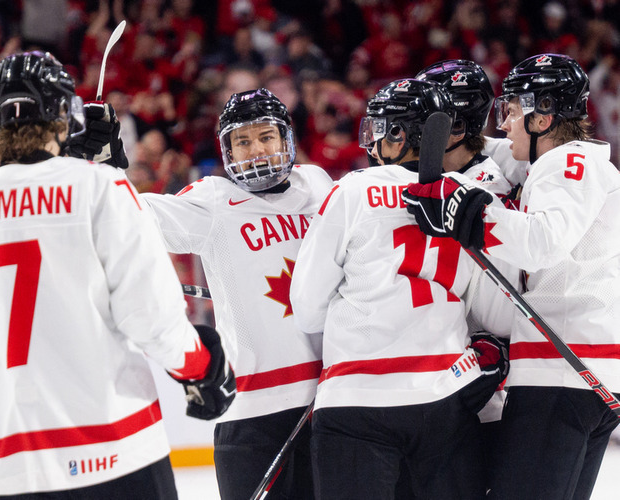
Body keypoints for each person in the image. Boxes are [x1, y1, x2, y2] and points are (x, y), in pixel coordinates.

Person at [0, 51, 235, 499]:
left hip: (13, 462)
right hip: (116, 448)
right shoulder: (99, 186)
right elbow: (149, 313)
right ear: (63, 114)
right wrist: (201, 368)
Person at [402, 53, 620, 499]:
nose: (504, 124)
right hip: (585, 371)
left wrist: (467, 212)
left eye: (514, 112)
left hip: (560, 372)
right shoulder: (567, 162)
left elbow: (543, 241)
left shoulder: (568, 162)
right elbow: (492, 151)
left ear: (543, 117)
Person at [290, 79, 513, 499]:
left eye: (379, 129)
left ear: (400, 134)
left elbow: (306, 308)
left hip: (357, 401)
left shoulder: (353, 190)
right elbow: (497, 316)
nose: (373, 144)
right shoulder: (476, 198)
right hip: (446, 398)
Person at [141, 88, 335, 499]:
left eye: (266, 137)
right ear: (228, 151)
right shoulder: (213, 201)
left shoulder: (318, 185)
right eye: (242, 142)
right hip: (252, 415)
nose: (256, 150)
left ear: (286, 139)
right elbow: (135, 219)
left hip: (331, 404)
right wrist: (100, 172)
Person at [415, 59, 512, 198]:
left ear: (457, 128)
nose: (416, 129)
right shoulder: (433, 172)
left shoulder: (485, 189)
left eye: (426, 120)